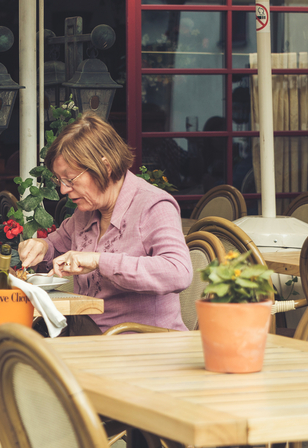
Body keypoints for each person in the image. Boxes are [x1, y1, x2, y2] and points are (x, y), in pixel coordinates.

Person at [18, 114, 192, 334]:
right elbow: (53, 247)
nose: (63, 190)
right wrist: (40, 248)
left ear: (105, 166)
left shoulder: (153, 206)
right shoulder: (86, 213)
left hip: (143, 348)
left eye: (70, 179)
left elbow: (178, 272)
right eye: (58, 181)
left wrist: (100, 261)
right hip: (88, 341)